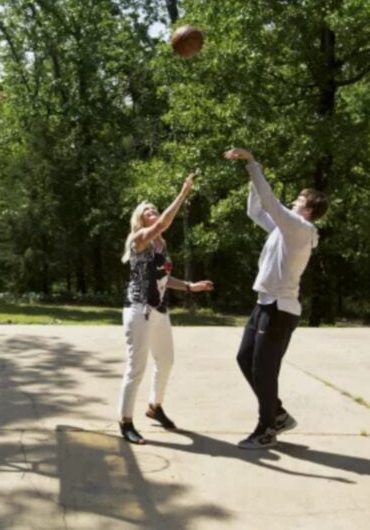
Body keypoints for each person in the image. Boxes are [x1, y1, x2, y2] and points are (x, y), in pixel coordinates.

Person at [223, 147, 329, 449]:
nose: (294, 201)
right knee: (245, 358)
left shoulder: (299, 227)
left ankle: (266, 428)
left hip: (281, 310)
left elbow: (270, 202)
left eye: (299, 199)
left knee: (264, 369)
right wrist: (253, 183)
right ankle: (278, 414)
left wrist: (253, 164)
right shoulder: (284, 229)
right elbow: (256, 211)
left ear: (307, 210)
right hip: (265, 303)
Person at [118, 174, 215, 445]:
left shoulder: (162, 244)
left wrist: (189, 286)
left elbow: (163, 277)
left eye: (155, 209)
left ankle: (154, 406)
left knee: (167, 361)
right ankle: (125, 421)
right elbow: (164, 223)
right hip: (138, 309)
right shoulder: (140, 239)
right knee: (136, 367)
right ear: (141, 219)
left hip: (159, 309)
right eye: (148, 210)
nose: (154, 212)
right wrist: (183, 194)